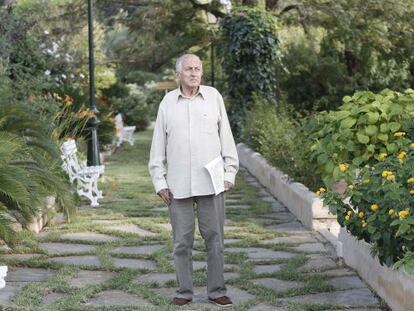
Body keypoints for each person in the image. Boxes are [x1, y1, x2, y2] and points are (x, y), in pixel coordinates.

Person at [148, 54, 239, 307]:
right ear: (178, 73)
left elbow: (227, 137)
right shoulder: (167, 103)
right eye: (188, 69)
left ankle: (217, 290)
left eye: (197, 69)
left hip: (211, 182)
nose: (194, 73)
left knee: (215, 239)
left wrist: (229, 173)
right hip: (178, 185)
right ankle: (183, 292)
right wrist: (160, 182)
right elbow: (158, 147)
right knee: (181, 243)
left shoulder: (213, 97)